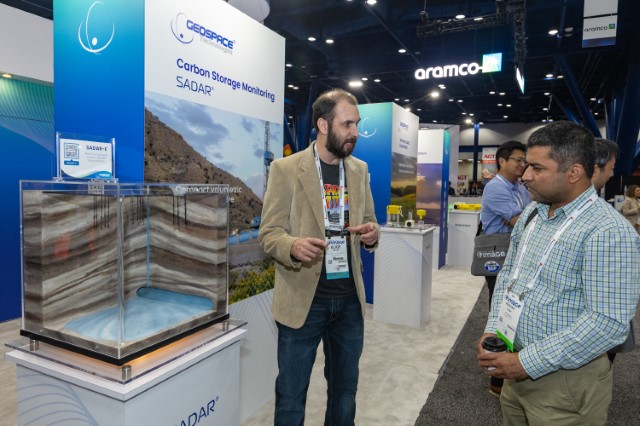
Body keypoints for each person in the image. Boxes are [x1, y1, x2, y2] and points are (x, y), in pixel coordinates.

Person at [476, 121, 640, 425]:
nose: (525, 175)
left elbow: (607, 324)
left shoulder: (608, 231)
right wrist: (494, 329)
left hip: (565, 383)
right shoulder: (533, 212)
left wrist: (526, 363)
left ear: (574, 172)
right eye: (527, 165)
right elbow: (509, 275)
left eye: (537, 168)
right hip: (515, 367)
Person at [259, 88, 380, 425]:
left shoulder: (359, 170)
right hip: (303, 303)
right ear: (323, 125)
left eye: (356, 124)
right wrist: (292, 246)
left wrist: (372, 234)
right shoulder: (286, 169)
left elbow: (370, 220)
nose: (355, 132)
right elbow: (269, 233)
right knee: (291, 396)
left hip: (349, 302)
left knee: (345, 392)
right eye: (347, 124)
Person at [479, 140, 531, 397]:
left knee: (516, 309)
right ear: (502, 161)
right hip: (498, 255)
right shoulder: (495, 187)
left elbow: (529, 213)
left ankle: (510, 368)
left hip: (518, 255)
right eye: (518, 160)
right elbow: (520, 221)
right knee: (501, 312)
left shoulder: (519, 187)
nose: (523, 165)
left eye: (525, 161)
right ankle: (497, 378)